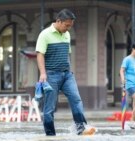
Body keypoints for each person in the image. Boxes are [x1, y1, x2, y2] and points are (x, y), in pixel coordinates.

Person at [35, 8, 96, 136]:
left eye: (70, 26)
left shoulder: (67, 34)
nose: (68, 28)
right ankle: (50, 135)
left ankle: (81, 128)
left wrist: (68, 68)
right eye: (67, 25)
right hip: (51, 75)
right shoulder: (45, 34)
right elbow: (40, 54)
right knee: (49, 108)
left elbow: (67, 54)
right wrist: (43, 73)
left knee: (76, 99)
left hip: (67, 75)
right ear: (58, 21)